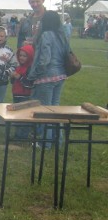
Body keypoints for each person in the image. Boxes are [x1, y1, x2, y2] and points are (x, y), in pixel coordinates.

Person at [27, 10, 69, 147]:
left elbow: (45, 59)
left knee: (45, 110)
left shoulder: (46, 35)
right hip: (61, 75)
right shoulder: (62, 35)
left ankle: (45, 143)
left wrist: (34, 74)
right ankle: (58, 140)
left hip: (47, 77)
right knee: (55, 108)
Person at [10, 44, 35, 139]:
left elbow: (29, 84)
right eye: (20, 55)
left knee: (24, 116)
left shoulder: (30, 68)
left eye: (24, 56)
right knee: (17, 115)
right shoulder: (19, 67)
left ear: (30, 56)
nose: (22, 58)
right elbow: (13, 82)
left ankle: (23, 135)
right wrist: (12, 77)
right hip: (16, 94)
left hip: (25, 95)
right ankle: (17, 134)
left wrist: (19, 77)